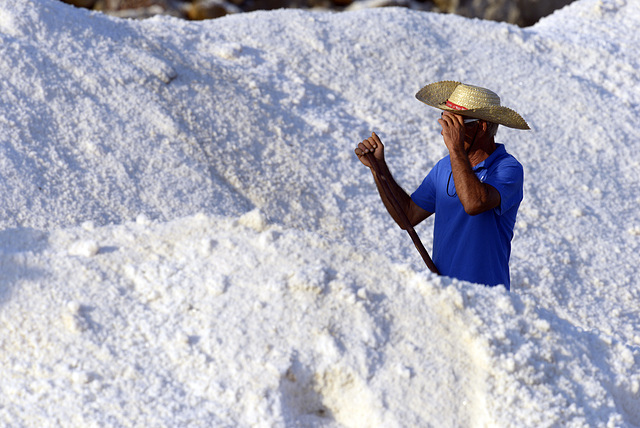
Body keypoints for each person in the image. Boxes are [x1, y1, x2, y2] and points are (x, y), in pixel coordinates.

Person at [355, 81, 529, 290]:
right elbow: (408, 216)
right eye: (444, 122)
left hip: (488, 299)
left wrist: (455, 149)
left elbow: (475, 203)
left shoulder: (508, 168)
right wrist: (378, 168)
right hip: (447, 295)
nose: (445, 133)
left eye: (454, 124)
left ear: (481, 127)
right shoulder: (445, 166)